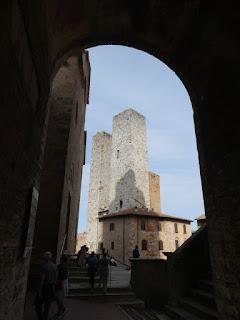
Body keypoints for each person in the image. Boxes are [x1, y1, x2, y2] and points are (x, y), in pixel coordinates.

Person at [34, 251, 58, 320]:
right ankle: (45, 317)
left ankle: (41, 318)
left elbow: (42, 279)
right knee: (47, 305)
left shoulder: (44, 267)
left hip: (45, 287)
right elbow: (56, 278)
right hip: (51, 287)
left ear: (45, 258)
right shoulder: (55, 266)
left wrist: (39, 290)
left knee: (38, 304)